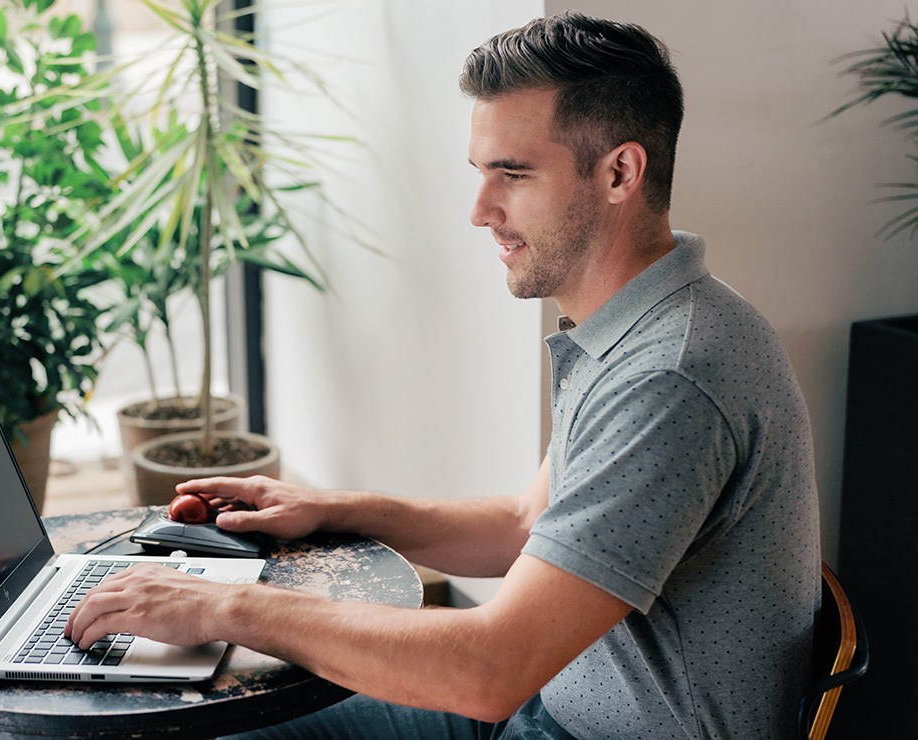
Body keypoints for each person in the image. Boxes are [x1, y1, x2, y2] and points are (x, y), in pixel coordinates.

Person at [65, 11, 820, 738]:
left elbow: (489, 672)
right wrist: (327, 509)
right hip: (553, 706)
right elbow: (526, 526)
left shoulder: (671, 377)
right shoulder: (641, 326)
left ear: (620, 171)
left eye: (513, 174)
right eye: (481, 172)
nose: (480, 210)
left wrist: (219, 609)